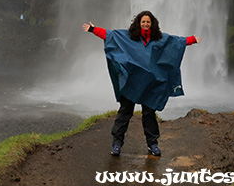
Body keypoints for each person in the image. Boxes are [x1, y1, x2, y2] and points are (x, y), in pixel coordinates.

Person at [82, 10, 200, 157]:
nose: (145, 24)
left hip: (150, 85)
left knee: (149, 114)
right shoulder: (129, 37)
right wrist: (93, 29)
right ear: (139, 23)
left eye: (148, 22)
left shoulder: (159, 39)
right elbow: (110, 35)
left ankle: (153, 144)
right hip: (132, 82)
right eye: (143, 22)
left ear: (152, 24)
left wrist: (192, 40)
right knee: (125, 112)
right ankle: (117, 143)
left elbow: (175, 42)